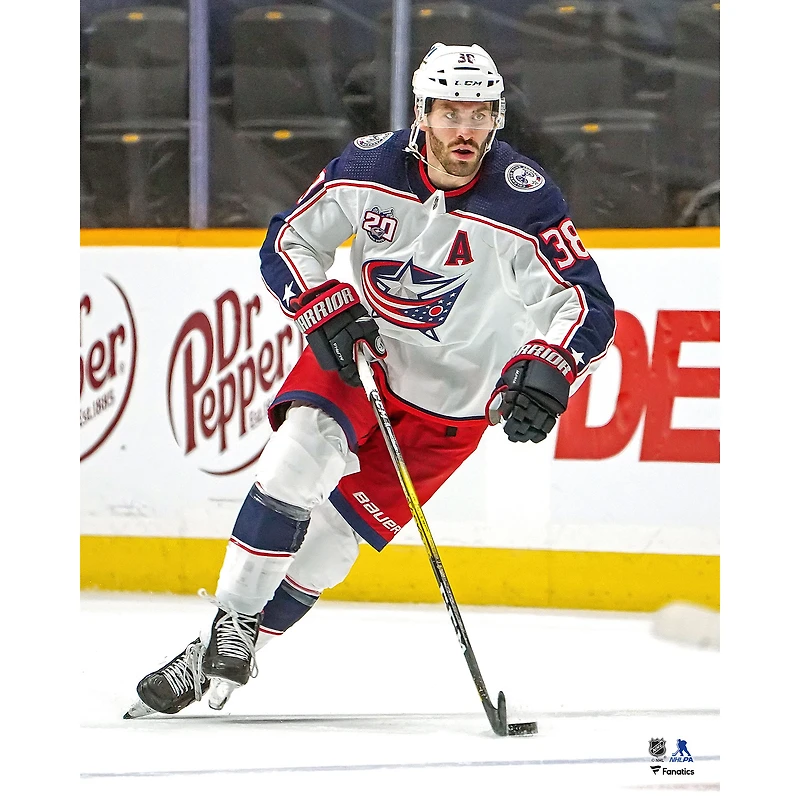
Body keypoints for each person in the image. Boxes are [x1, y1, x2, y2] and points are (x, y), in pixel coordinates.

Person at [124, 42, 616, 719]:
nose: (464, 130)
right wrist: (320, 301)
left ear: (497, 117)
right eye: (450, 113)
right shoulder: (368, 166)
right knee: (295, 460)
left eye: (479, 114)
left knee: (328, 548)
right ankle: (235, 618)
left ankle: (215, 647)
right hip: (363, 361)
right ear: (423, 113)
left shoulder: (524, 200)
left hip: (455, 408)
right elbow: (288, 242)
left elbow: (584, 302)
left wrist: (551, 365)